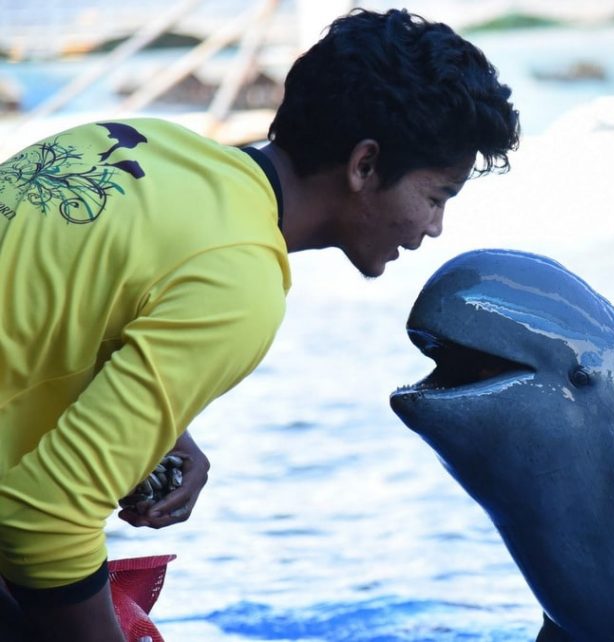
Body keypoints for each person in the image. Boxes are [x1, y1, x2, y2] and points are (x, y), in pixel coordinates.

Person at [0, 8, 519, 641]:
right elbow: (41, 520)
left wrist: (160, 425)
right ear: (364, 165)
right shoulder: (240, 281)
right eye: (437, 196)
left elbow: (40, 315)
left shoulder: (134, 142)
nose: (433, 227)